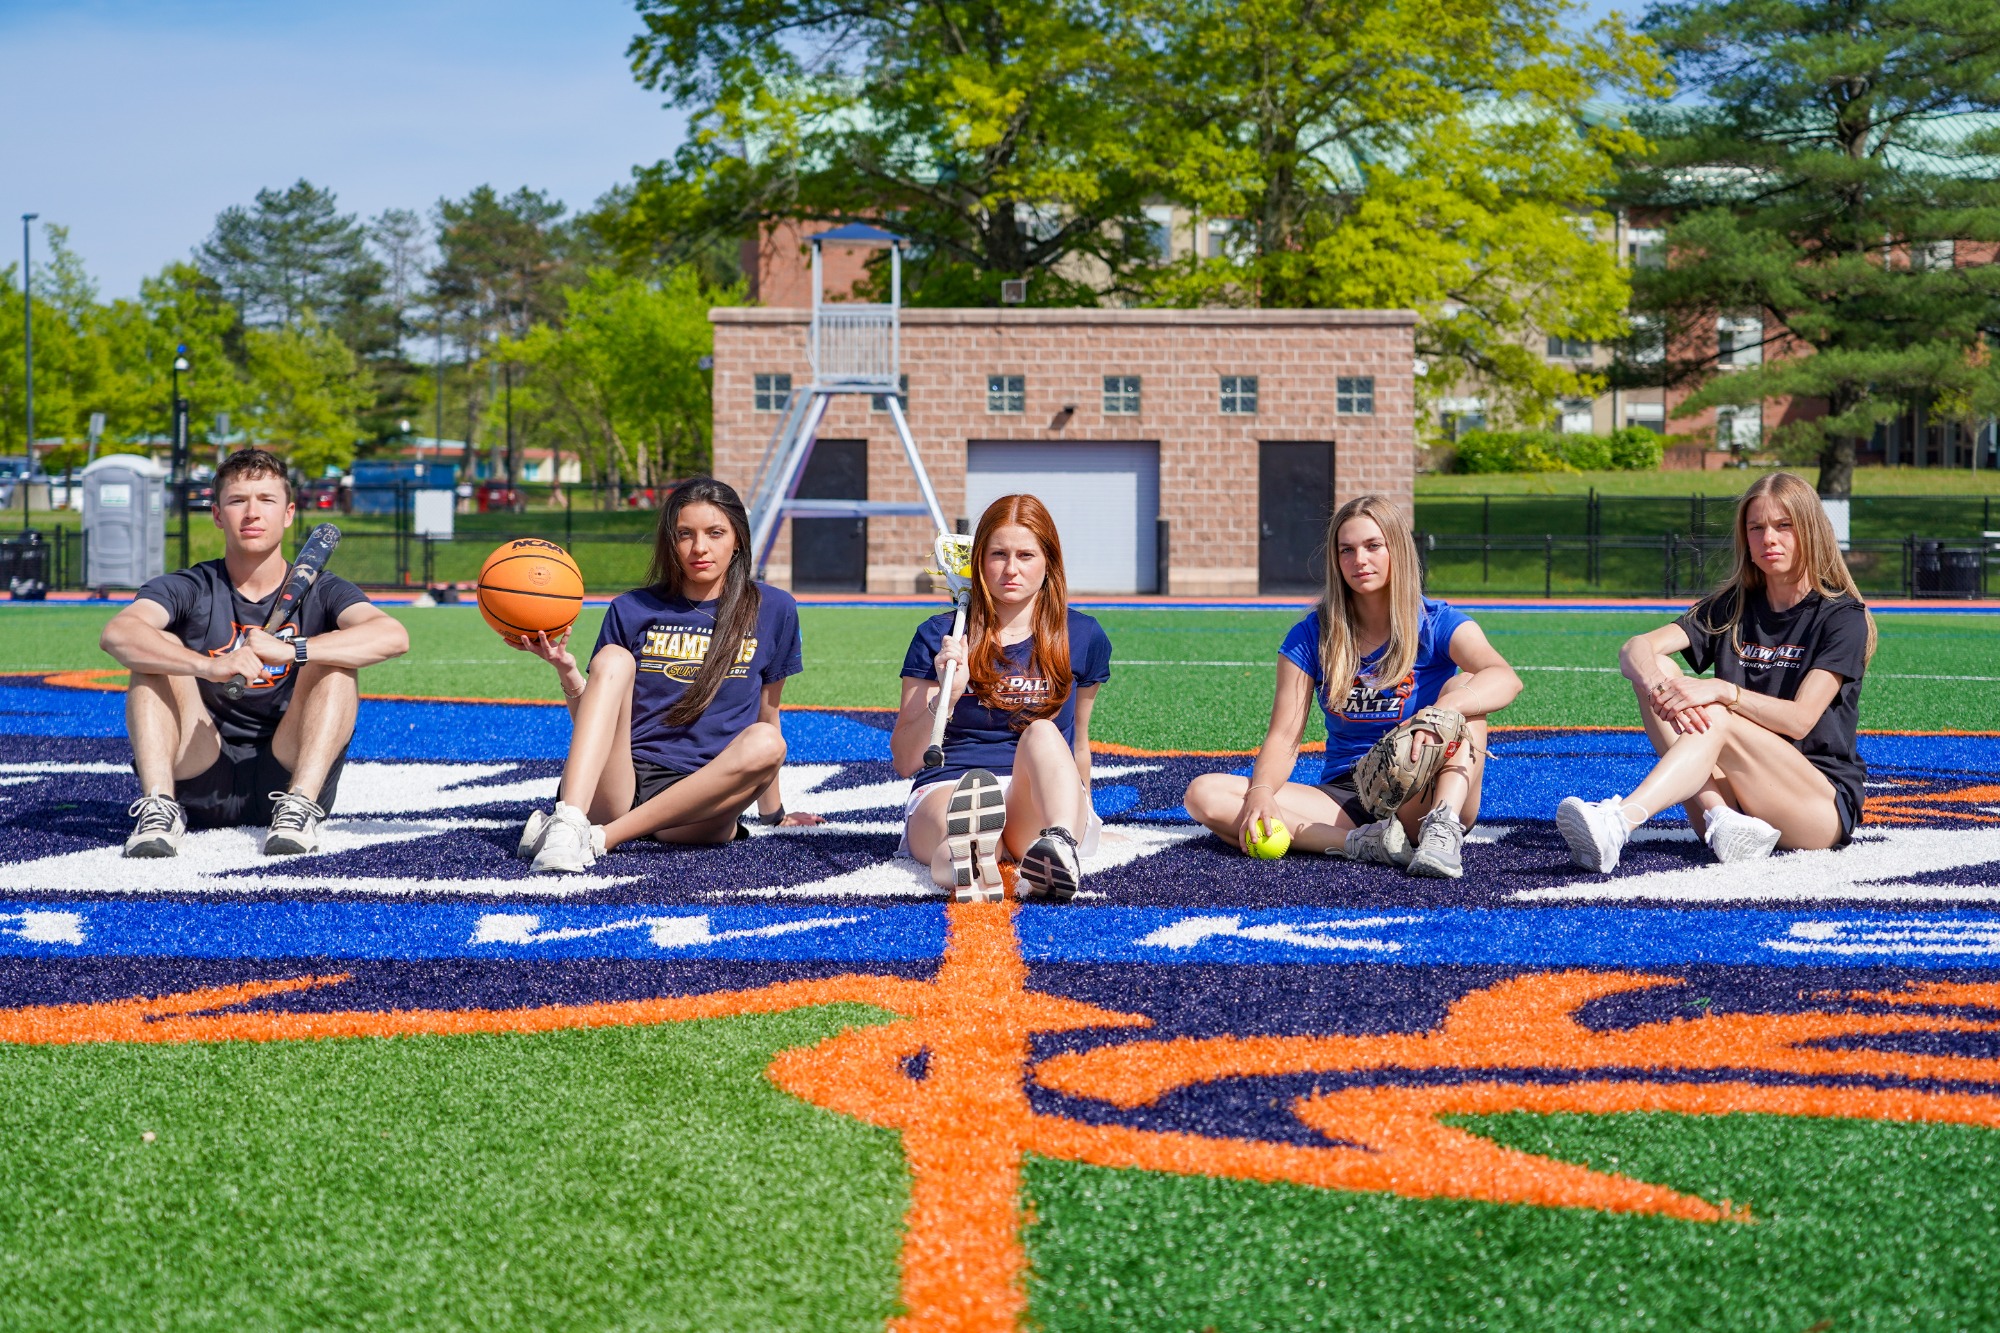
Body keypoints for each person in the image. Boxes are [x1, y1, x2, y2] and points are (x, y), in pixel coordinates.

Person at [1183, 493, 1521, 879]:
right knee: (1204, 794)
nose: (1359, 560)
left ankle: (1441, 831)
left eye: (1373, 546)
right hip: (1348, 795)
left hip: (1421, 790)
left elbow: (1504, 676)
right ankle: (1364, 845)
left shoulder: (1436, 621)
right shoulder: (1311, 634)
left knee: (1467, 688)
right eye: (1347, 550)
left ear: (1397, 550)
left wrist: (1443, 710)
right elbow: (1284, 738)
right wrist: (1260, 793)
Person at [1556, 471, 1875, 874]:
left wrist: (1724, 692)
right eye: (1756, 528)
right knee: (1659, 669)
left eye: (1783, 526)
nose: (1768, 539)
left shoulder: (1842, 617)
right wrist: (1660, 684)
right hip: (1734, 800)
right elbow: (1633, 649)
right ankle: (1722, 818)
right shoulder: (1733, 605)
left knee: (1718, 711)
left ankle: (1619, 823)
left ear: (1811, 530)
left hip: (1816, 808)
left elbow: (1799, 720)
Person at [99, 448, 410, 858]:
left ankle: (300, 808)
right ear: (216, 514)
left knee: (334, 662)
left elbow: (393, 635)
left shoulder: (324, 589)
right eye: (237, 500)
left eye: (266, 500)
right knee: (157, 652)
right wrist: (209, 666)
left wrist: (294, 649)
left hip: (286, 771)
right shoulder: (192, 585)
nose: (252, 513)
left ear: (288, 513)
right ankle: (159, 807)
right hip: (199, 768)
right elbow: (118, 633)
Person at [515, 477, 820, 874]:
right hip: (621, 784)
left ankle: (598, 838)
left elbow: (768, 713)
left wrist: (774, 814)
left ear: (738, 540)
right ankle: (570, 820)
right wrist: (569, 673)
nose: (700, 548)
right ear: (670, 542)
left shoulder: (774, 608)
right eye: (685, 535)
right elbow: (600, 726)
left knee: (767, 741)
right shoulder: (631, 608)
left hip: (699, 802)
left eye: (715, 533)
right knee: (612, 658)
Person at [890, 494, 1112, 902]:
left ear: (1049, 562)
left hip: (1034, 795)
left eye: (1026, 555)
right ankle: (963, 863)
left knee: (1045, 733)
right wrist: (947, 697)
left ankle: (1058, 843)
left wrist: (1085, 813)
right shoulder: (939, 636)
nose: (1011, 569)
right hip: (950, 785)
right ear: (979, 562)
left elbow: (1078, 743)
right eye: (998, 554)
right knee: (959, 826)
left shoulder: (1082, 635)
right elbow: (905, 759)